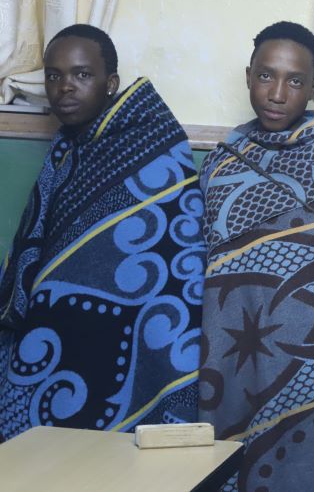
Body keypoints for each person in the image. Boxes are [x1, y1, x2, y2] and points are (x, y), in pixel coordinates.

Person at [0, 24, 205, 441]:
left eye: (81, 75)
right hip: (59, 333)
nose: (64, 88)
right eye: (53, 76)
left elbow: (175, 258)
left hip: (132, 333)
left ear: (110, 84)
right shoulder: (66, 148)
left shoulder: (156, 144)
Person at [198, 21, 314, 492]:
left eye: (295, 81)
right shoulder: (221, 161)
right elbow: (212, 262)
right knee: (239, 466)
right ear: (248, 75)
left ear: (313, 88)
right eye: (265, 76)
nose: (277, 93)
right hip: (234, 355)